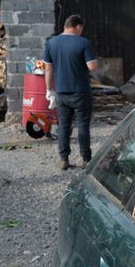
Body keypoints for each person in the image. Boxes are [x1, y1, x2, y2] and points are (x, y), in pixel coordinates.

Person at [43, 14, 98, 170]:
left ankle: (64, 159)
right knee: (82, 126)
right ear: (78, 26)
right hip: (81, 92)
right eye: (81, 29)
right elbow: (92, 66)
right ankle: (86, 159)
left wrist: (49, 90)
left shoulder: (51, 43)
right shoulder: (83, 43)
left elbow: (48, 69)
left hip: (61, 92)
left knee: (64, 126)